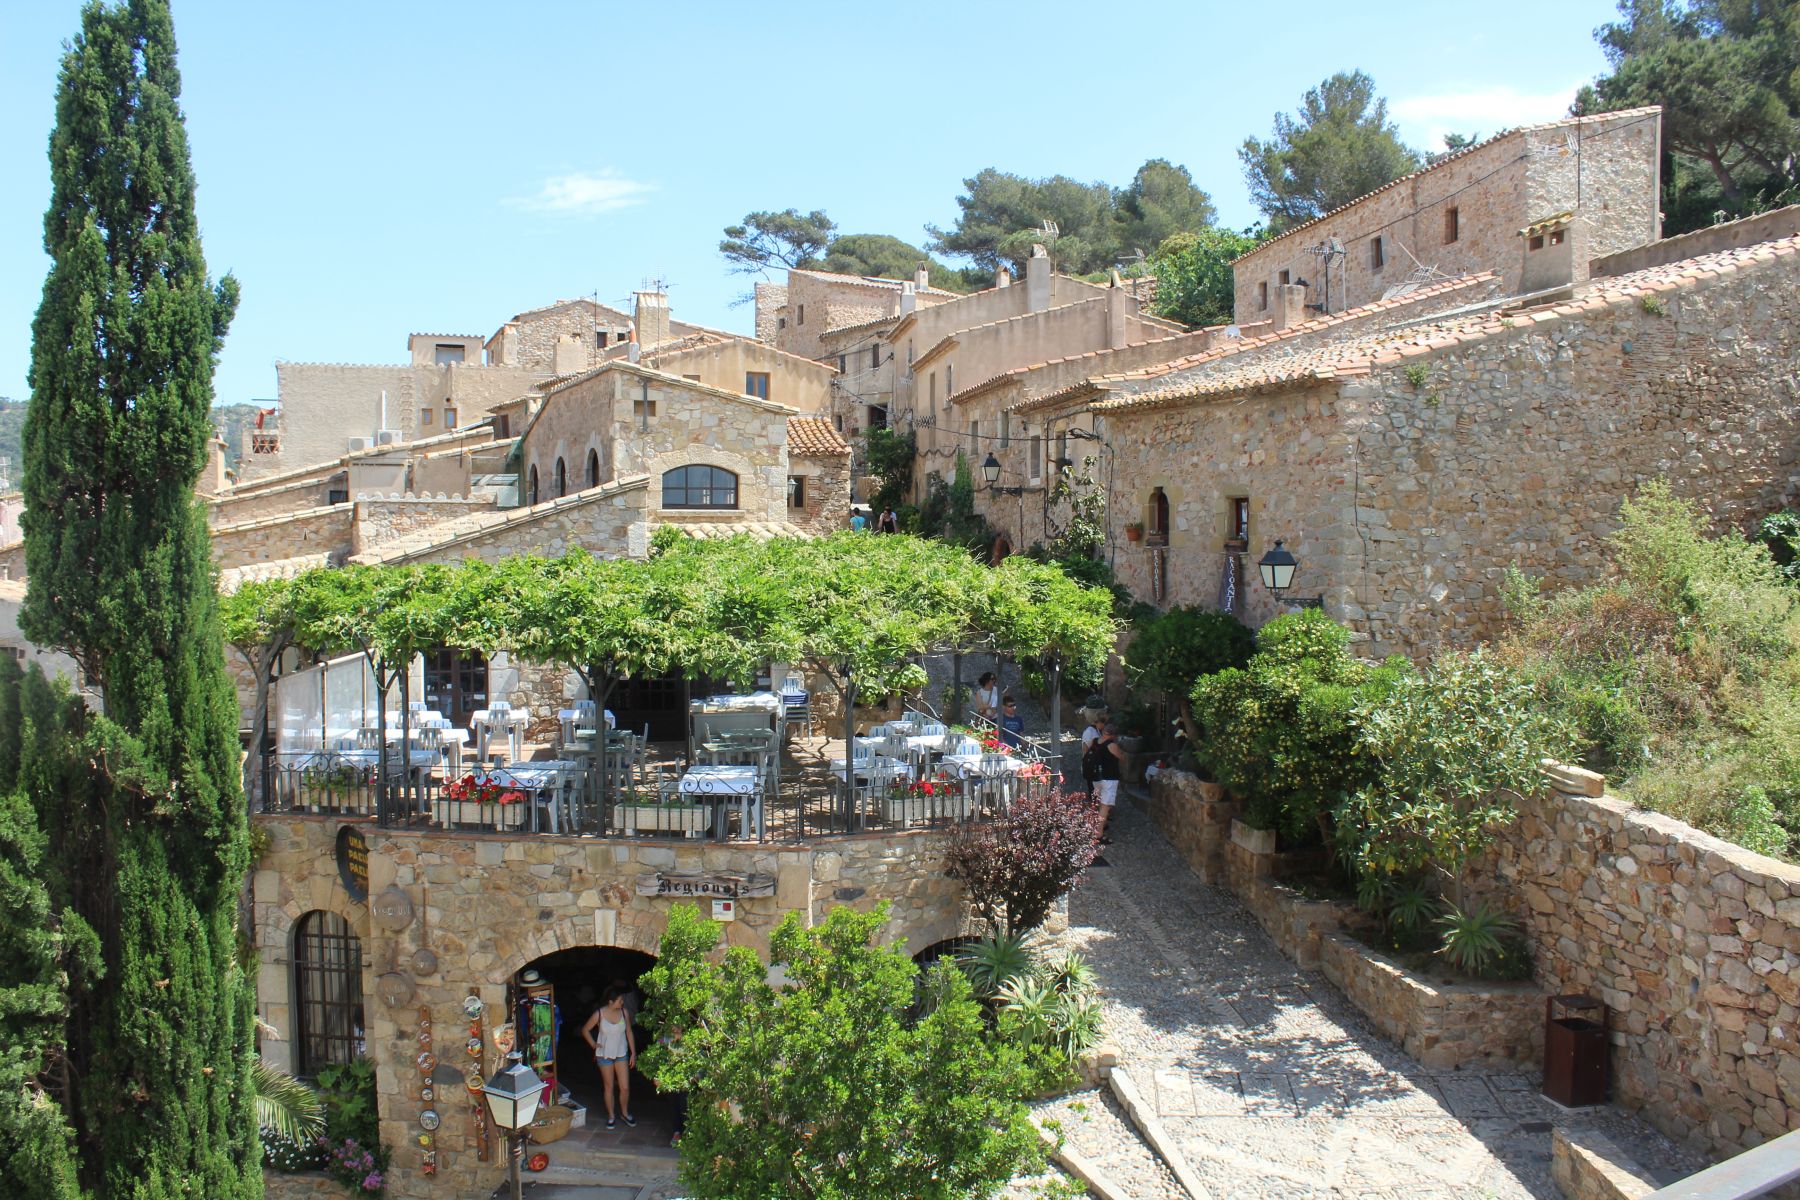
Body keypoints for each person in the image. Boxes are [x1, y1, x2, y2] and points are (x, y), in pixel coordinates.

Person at [581, 986, 636, 1130]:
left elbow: (629, 1032)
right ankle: (611, 1116)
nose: (622, 1003)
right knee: (609, 1086)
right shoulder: (599, 1014)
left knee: (624, 1087)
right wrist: (594, 1044)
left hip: (621, 1053)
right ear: (610, 1001)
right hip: (604, 1055)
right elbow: (585, 1030)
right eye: (619, 1000)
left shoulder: (624, 1013)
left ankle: (624, 1113)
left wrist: (633, 1053)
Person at [1085, 719, 1124, 843]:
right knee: (1105, 806)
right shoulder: (1111, 745)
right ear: (1114, 735)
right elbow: (1122, 757)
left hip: (1095, 777)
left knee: (1097, 803)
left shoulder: (1094, 741)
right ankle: (1098, 834)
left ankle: (1097, 825)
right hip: (1109, 778)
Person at [1079, 715, 1103, 798]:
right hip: (1091, 765)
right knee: (1093, 790)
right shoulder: (1090, 732)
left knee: (1095, 789)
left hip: (1094, 765)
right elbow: (1086, 750)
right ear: (1098, 722)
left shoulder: (1096, 731)